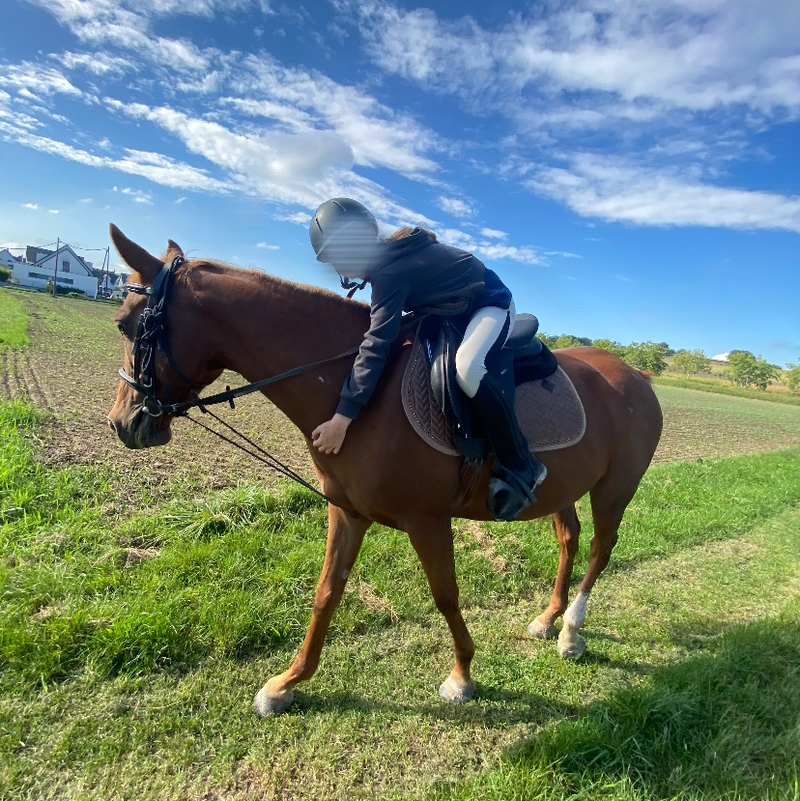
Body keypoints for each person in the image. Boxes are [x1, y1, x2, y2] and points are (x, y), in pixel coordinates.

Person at [309, 197, 546, 521]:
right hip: (454, 308)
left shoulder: (389, 271)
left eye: (340, 253)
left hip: (490, 303)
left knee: (468, 368)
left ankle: (521, 462)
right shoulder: (388, 264)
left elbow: (377, 342)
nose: (338, 264)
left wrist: (342, 418)